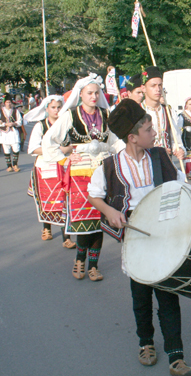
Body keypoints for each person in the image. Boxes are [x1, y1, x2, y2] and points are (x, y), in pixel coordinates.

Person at [87, 100, 191, 376]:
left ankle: (176, 355)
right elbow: (94, 194)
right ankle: (145, 342)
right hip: (135, 239)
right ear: (132, 137)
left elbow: (182, 186)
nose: (154, 133)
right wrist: (110, 211)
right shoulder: (110, 166)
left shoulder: (159, 157)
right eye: (148, 130)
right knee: (141, 296)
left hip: (165, 234)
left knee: (169, 295)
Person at [42, 74, 124, 281]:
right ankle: (79, 260)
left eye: (97, 92)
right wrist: (64, 157)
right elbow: (49, 140)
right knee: (83, 222)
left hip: (103, 173)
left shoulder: (107, 114)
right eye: (90, 93)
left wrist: (117, 156)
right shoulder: (70, 115)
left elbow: (116, 142)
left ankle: (93, 266)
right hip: (80, 175)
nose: (94, 96)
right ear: (81, 94)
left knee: (99, 221)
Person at [25, 95, 77, 248]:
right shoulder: (40, 126)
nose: (56, 110)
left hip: (64, 166)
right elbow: (33, 148)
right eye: (53, 107)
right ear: (46, 109)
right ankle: (46, 228)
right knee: (48, 200)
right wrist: (60, 150)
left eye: (59, 107)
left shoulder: (68, 124)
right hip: (45, 167)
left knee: (64, 201)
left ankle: (66, 237)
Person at [140, 66, 185, 160]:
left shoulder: (168, 111)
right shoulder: (138, 111)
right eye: (153, 86)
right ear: (143, 88)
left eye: (160, 85)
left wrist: (179, 149)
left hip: (166, 163)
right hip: (144, 164)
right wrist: (157, 150)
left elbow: (175, 139)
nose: (158, 89)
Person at [0, 95, 23, 172]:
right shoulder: (0, 111)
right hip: (4, 132)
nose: (9, 104)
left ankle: (15, 164)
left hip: (13, 132)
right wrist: (4, 124)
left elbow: (20, 121)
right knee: (6, 149)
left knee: (16, 148)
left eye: (10, 102)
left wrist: (14, 124)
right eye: (7, 102)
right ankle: (9, 166)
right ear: (4, 103)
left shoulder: (15, 111)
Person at [177, 96, 191, 179]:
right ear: (186, 105)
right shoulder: (182, 115)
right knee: (189, 154)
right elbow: (179, 127)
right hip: (187, 136)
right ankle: (189, 172)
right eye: (190, 104)